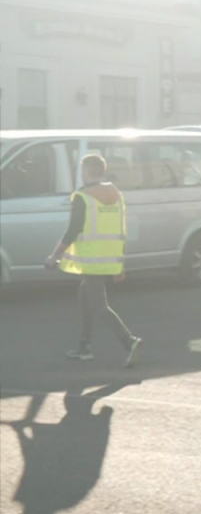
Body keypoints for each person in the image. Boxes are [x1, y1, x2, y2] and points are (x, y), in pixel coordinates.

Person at [45, 154, 141, 367]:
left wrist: (54, 256)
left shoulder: (83, 196)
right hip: (109, 259)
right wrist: (120, 264)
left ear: (85, 171)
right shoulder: (117, 195)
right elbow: (121, 230)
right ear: (103, 171)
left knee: (99, 305)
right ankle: (84, 347)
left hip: (92, 260)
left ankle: (129, 341)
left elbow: (73, 230)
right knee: (85, 300)